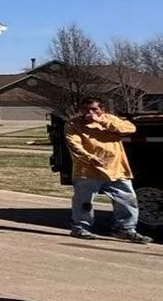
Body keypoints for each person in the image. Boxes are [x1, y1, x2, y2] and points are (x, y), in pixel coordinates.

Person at [64, 99, 152, 243]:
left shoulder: (110, 120)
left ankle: (126, 229)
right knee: (84, 202)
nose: (89, 113)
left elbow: (129, 129)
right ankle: (80, 228)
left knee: (127, 201)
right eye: (85, 109)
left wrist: (102, 122)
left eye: (94, 109)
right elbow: (74, 145)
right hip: (88, 170)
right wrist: (89, 157)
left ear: (102, 109)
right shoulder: (73, 124)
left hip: (116, 169)